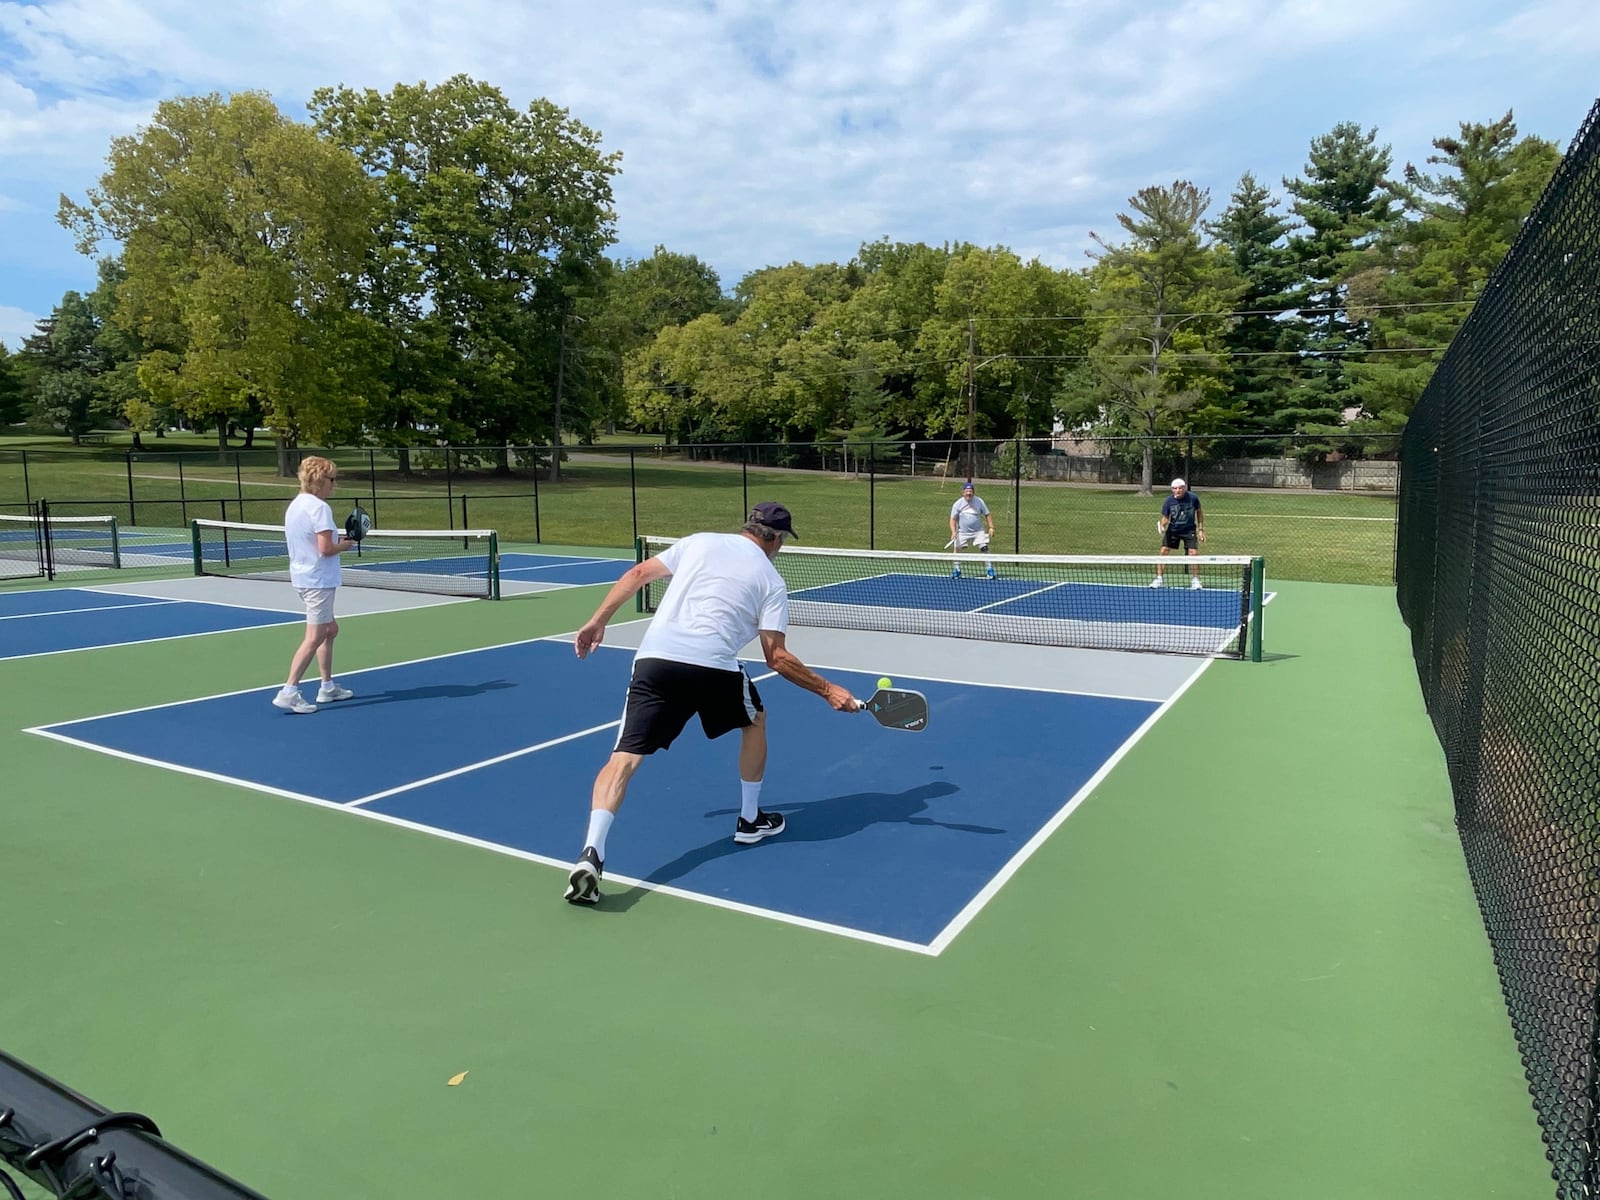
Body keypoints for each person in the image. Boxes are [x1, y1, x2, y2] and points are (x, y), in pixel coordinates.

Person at [563, 502, 861, 906]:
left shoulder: (698, 542)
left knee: (625, 759)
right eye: (782, 542)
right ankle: (750, 819)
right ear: (774, 538)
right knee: (754, 719)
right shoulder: (771, 581)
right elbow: (777, 657)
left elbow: (636, 575)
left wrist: (598, 620)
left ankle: (591, 853)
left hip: (655, 661)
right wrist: (828, 690)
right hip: (712, 666)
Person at [272, 455, 357, 714]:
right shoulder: (319, 508)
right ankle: (289, 691)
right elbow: (326, 549)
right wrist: (344, 544)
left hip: (303, 578)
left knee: (330, 630)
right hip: (318, 581)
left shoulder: (296, 505)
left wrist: (335, 543)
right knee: (316, 636)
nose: (334, 484)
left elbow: (315, 543)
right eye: (332, 479)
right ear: (320, 480)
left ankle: (327, 687)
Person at [1153, 477, 1206, 589]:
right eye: (1175, 488)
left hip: (1189, 530)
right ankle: (1159, 579)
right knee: (1163, 551)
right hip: (1173, 530)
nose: (1178, 490)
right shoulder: (1169, 501)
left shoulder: (1193, 498)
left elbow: (1199, 513)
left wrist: (1201, 530)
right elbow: (1165, 518)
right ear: (1172, 490)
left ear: (1185, 488)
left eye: (1180, 488)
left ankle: (1195, 580)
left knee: (1193, 553)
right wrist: (1162, 525)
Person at [949, 480, 997, 579]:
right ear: (963, 493)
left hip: (978, 531)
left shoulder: (979, 501)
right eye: (967, 491)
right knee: (957, 548)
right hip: (962, 532)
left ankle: (989, 570)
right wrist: (953, 532)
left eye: (970, 491)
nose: (969, 493)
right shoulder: (958, 504)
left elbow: (987, 514)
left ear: (973, 492)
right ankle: (957, 570)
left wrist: (991, 527)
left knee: (984, 548)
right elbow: (952, 519)